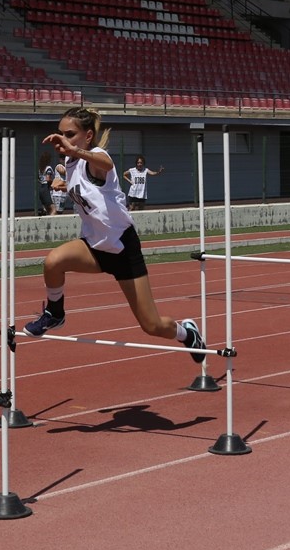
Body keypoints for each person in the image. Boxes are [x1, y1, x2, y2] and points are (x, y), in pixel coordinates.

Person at [23, 107, 205, 364]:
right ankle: (55, 313)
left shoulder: (95, 155)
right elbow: (87, 191)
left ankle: (187, 333)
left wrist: (75, 151)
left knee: (151, 325)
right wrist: (63, 181)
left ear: (87, 136)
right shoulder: (69, 162)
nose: (62, 138)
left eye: (70, 134)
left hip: (122, 248)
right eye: (60, 133)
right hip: (95, 247)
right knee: (53, 262)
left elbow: (106, 165)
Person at [36, 151, 56, 215]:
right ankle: (51, 223)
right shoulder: (48, 168)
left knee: (47, 210)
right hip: (46, 188)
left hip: (41, 188)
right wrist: (54, 182)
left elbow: (38, 179)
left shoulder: (40, 169)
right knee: (53, 209)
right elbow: (48, 179)